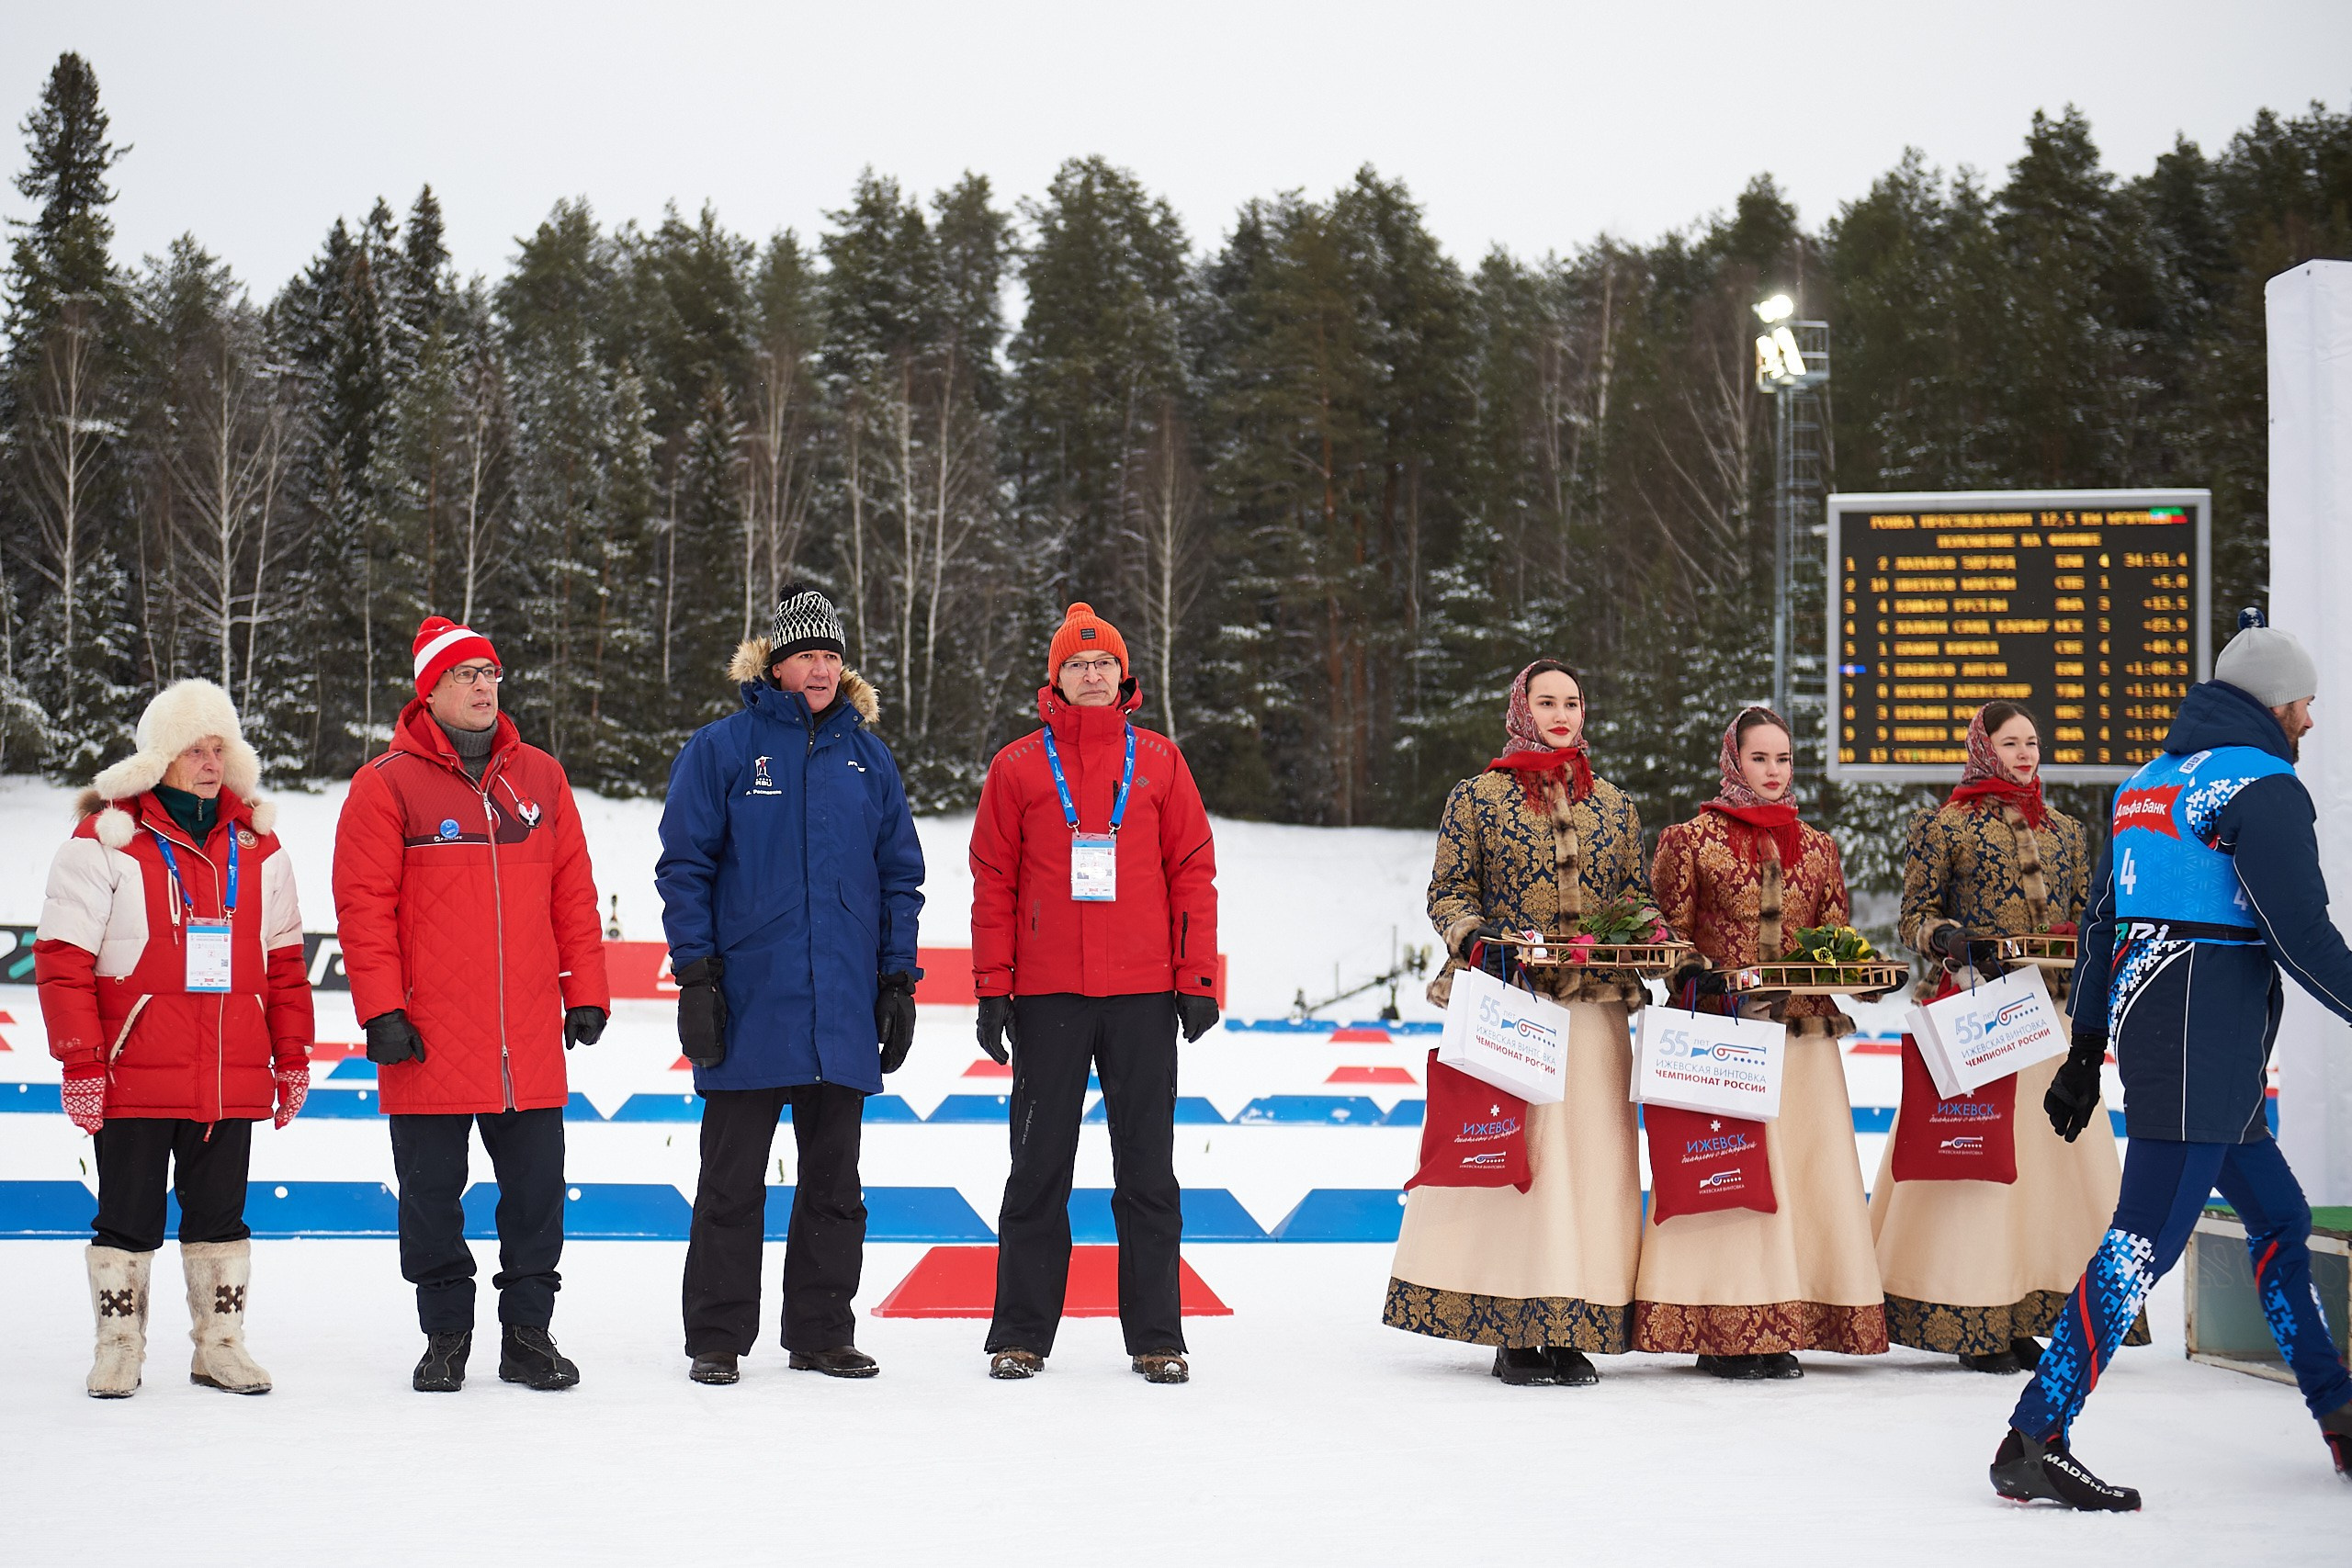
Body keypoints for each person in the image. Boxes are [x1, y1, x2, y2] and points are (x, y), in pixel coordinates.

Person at [1993, 613, 2352, 1508]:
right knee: (2141, 1244)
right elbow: (2300, 933)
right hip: (2206, 1045)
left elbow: (2101, 926)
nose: (2309, 719)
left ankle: (2337, 1408)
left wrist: (2086, 1046)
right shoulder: (2263, 785)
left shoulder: (2146, 783)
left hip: (2172, 1037)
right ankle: (2035, 1433)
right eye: (2304, 702)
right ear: (2273, 702)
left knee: (2278, 1215)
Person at [334, 615, 610, 1393]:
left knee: (537, 1196)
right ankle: (446, 1334)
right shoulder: (386, 783)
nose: (485, 686)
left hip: (526, 1035)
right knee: (430, 1197)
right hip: (427, 1035)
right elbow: (364, 908)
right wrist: (381, 1011)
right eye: (467, 674)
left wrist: (585, 990)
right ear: (430, 691)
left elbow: (573, 893)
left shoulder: (541, 778)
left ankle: (528, 1335)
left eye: (491, 672)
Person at [658, 585, 925, 1386]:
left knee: (836, 1188)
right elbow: (684, 866)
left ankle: (821, 1331)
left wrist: (897, 980)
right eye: (807, 654)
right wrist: (696, 976)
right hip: (748, 1006)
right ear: (775, 664)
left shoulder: (869, 759)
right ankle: (717, 1336)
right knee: (731, 1184)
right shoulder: (723, 748)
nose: (821, 668)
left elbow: (900, 877)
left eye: (832, 656)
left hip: (841, 1011)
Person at [36, 679, 312, 1398]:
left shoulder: (258, 843)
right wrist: (81, 1061)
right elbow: (62, 959)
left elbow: (285, 962)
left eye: (219, 748)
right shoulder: (106, 837)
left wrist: (292, 1057)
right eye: (194, 749)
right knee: (127, 1217)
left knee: (220, 1219)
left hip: (229, 1072)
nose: (211, 762)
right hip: (134, 1070)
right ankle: (118, 1346)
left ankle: (220, 1345)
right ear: (159, 757)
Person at [1383, 659, 1651, 1387]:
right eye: (1547, 701)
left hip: (1595, 1014)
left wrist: (1655, 935)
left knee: (1589, 1166)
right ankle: (1515, 1329)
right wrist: (1476, 938)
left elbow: (1636, 896)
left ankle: (1575, 1320)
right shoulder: (1478, 797)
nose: (1561, 714)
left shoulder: (1616, 805)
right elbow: (1448, 892)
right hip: (1510, 1004)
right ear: (1521, 709)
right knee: (1519, 1164)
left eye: (1573, 701)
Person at [970, 602, 1218, 1384]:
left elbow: (1193, 871)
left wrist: (1197, 978)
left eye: (1103, 662)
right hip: (1048, 996)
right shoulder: (1017, 766)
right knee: (1037, 1169)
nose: (1090, 674)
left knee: (1147, 1172)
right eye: (1076, 665)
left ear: (1123, 675)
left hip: (1143, 995)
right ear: (1056, 678)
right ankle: (1020, 1334)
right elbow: (993, 881)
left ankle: (1158, 1336)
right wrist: (993, 987)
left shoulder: (1161, 761)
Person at [1871, 702, 2143, 1373]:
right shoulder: (1944, 826)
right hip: (1979, 1015)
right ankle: (1973, 1312)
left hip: (2050, 1019)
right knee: (1975, 1162)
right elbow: (1913, 917)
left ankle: (2027, 1311)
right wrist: (1950, 938)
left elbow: (2085, 916)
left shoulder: (2067, 831)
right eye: (2011, 742)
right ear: (1983, 748)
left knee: (2048, 1169)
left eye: (2033, 742)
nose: (2025, 754)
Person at [1634, 706, 1888, 1378]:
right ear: (1733, 760)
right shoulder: (1690, 840)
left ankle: (1789, 1319)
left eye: (1784, 759)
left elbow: (1834, 934)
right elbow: (1666, 932)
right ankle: (1723, 1324)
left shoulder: (1819, 845)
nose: (1774, 771)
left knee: (1802, 1178)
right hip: (1725, 1038)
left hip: (1804, 1042)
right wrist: (1693, 972)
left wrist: (1864, 973)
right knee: (1729, 1180)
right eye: (1760, 758)